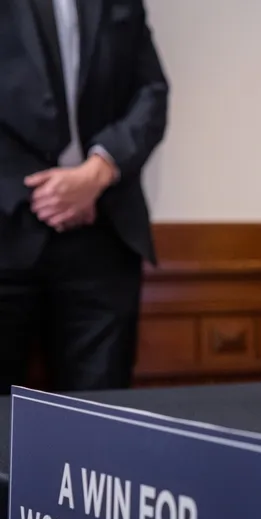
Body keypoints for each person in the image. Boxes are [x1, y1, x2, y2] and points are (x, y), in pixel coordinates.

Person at [0, 0, 169, 391]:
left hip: (102, 233)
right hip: (6, 228)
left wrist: (97, 172)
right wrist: (45, 192)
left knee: (100, 420)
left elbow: (151, 93)